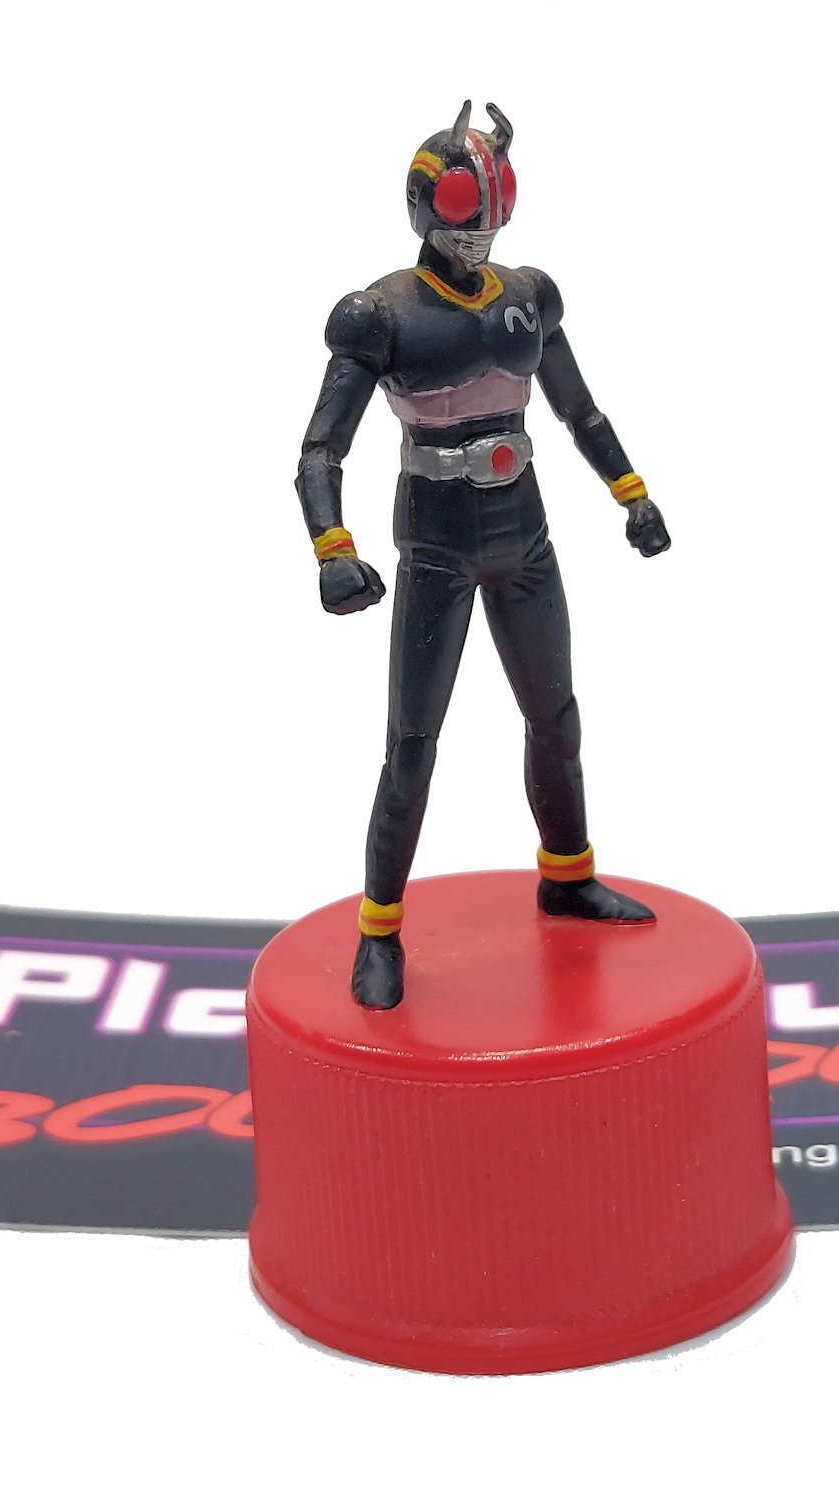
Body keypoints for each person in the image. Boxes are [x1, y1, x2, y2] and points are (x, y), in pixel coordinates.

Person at [294, 101, 671, 1009]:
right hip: (435, 547)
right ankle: (379, 928)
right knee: (412, 746)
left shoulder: (528, 296)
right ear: (426, 203)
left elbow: (581, 411)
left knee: (556, 716)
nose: (482, 225)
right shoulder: (379, 314)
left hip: (523, 534)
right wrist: (331, 549)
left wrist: (633, 493)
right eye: (467, 203)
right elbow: (320, 450)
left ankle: (567, 874)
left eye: (495, 201)